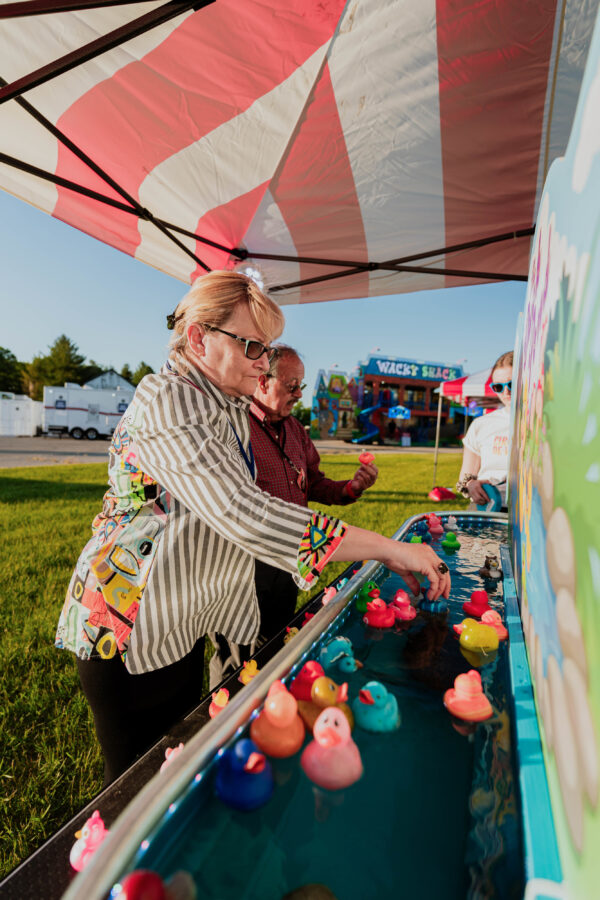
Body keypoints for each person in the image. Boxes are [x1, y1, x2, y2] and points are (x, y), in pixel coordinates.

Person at [55, 270, 450, 783]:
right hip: (127, 620)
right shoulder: (168, 400)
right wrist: (387, 550)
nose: (264, 363)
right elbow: (243, 511)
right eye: (252, 346)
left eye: (266, 349)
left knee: (173, 761)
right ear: (198, 337)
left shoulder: (224, 405)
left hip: (176, 616)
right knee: (134, 786)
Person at [209, 345, 378, 685]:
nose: (300, 394)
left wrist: (351, 488)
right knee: (236, 660)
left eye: (301, 385)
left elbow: (313, 483)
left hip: (289, 559)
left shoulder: (297, 431)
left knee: (276, 643)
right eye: (292, 385)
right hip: (241, 568)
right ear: (262, 381)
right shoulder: (232, 426)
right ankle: (224, 724)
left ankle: (270, 710)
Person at [456, 351, 513, 509]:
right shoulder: (481, 424)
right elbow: (465, 477)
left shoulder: (545, 423)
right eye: (498, 387)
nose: (506, 392)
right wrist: (471, 485)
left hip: (532, 515)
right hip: (487, 507)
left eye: (512, 384)